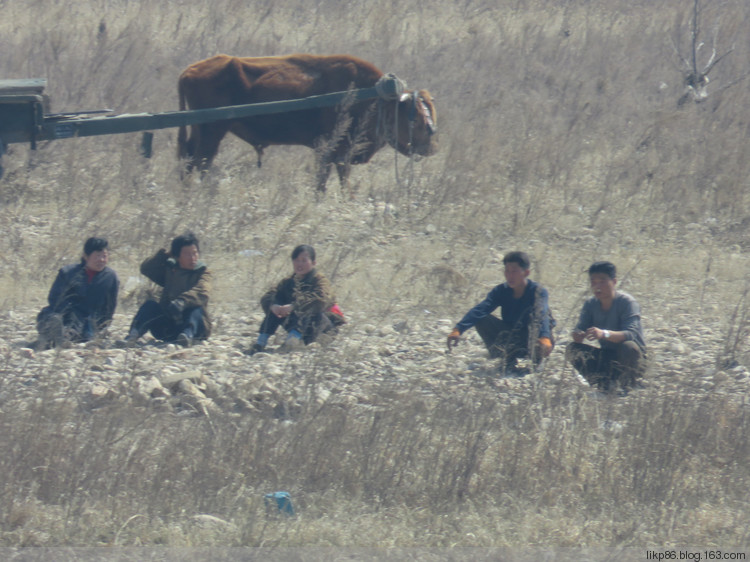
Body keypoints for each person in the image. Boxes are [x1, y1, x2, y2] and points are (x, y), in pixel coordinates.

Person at [447, 251, 554, 375]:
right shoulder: (501, 291)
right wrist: (458, 329)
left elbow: (542, 314)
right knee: (482, 318)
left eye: (514, 271)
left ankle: (537, 361)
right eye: (507, 271)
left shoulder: (538, 291)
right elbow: (481, 309)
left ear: (526, 273)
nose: (510, 276)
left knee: (538, 323)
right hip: (513, 337)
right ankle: (507, 357)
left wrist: (545, 337)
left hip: (535, 337)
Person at [118, 232, 211, 347]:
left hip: (194, 327)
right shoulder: (170, 269)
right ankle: (133, 336)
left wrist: (182, 301)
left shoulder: (202, 271)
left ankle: (187, 337)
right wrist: (166, 255)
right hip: (168, 326)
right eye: (187, 254)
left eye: (195, 253)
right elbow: (146, 268)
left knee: (197, 310)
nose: (192, 258)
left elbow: (202, 291)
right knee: (150, 305)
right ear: (177, 256)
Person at [565, 261, 647, 394]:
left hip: (631, 357)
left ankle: (629, 383)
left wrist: (604, 334)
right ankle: (602, 383)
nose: (597, 286)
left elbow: (630, 333)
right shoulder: (590, 304)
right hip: (608, 357)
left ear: (614, 282)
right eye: (593, 282)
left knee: (629, 346)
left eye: (602, 281)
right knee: (572, 349)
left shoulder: (627, 302)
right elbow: (580, 328)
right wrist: (578, 335)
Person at [248, 244, 345, 355]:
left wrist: (293, 306)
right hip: (297, 324)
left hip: (321, 327)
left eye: (304, 260)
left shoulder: (320, 281)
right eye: (296, 260)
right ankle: (260, 343)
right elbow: (269, 295)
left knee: (308, 310)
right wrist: (274, 306)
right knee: (276, 307)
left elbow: (320, 301)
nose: (299, 264)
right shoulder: (289, 281)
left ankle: (291, 343)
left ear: (313, 263)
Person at [36, 237, 119, 348]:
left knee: (83, 330)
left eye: (104, 256)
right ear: (85, 256)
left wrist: (103, 325)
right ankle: (56, 335)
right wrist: (69, 313)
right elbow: (55, 299)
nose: (102, 260)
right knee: (50, 316)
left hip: (89, 320)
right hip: (65, 314)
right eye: (97, 256)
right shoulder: (68, 272)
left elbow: (110, 306)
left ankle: (62, 339)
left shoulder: (110, 277)